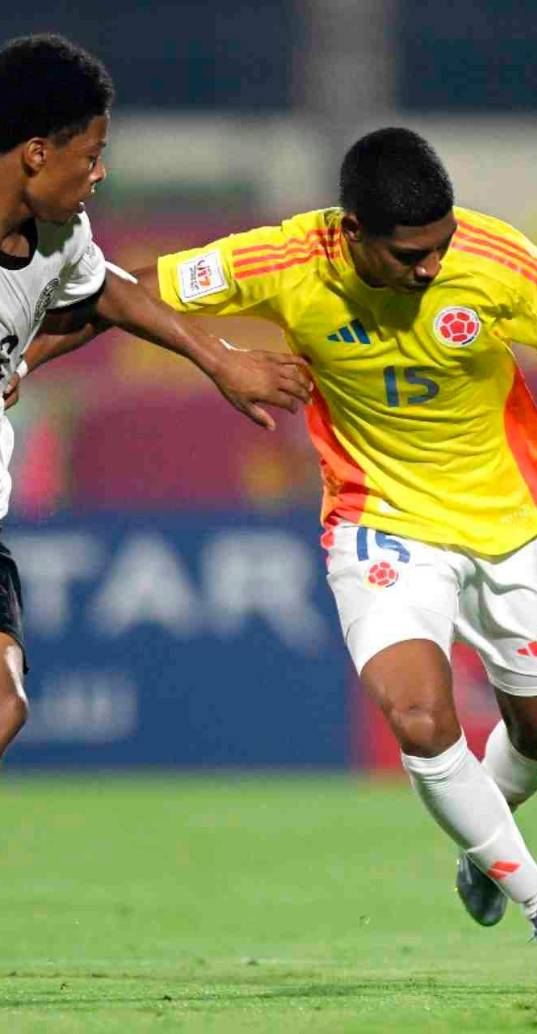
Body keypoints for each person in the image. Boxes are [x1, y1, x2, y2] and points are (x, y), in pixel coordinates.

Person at [30, 127, 537, 991]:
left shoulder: (496, 261)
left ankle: (482, 845)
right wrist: (25, 355)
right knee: (422, 721)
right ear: (351, 232)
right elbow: (112, 292)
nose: (430, 266)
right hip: (378, 525)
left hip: (505, 532)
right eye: (410, 253)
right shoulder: (281, 259)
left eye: (440, 246)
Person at [0, 34, 312, 761]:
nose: (100, 173)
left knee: (6, 703)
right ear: (38, 152)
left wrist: (219, 358)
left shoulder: (62, 235)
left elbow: (108, 291)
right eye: (90, 155)